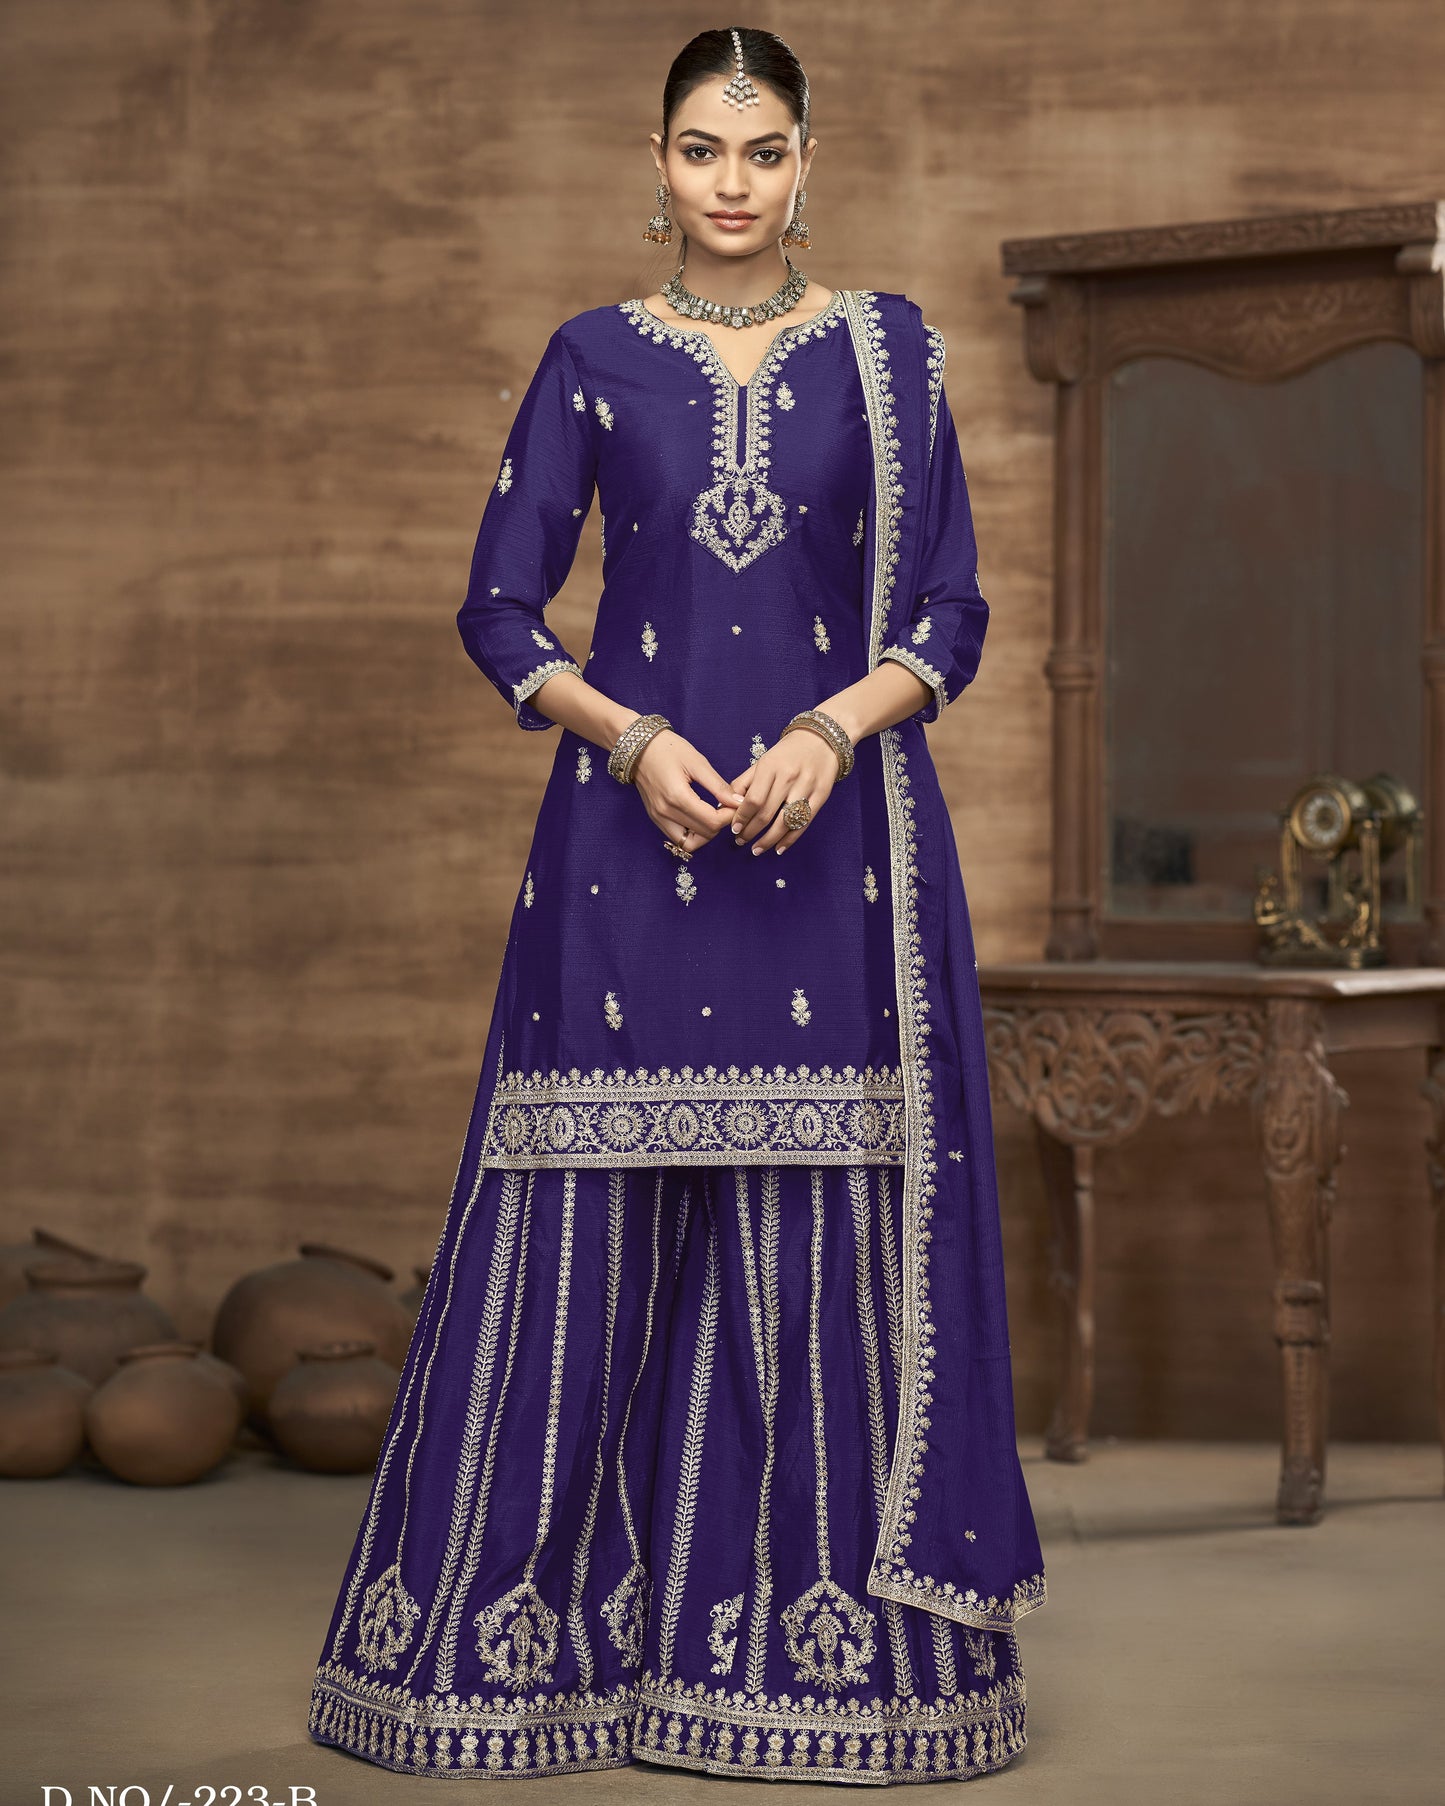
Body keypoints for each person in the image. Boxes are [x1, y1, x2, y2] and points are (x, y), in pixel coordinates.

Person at [307, 25, 1046, 1786]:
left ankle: (820, 1670)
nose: (733, 183)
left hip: (828, 860)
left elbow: (945, 611)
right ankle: (524, 1662)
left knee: (812, 1234)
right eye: (702, 151)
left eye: (764, 150)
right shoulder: (589, 361)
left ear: (810, 162)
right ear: (652, 164)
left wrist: (827, 729)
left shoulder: (889, 357)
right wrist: (629, 740)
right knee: (589, 1226)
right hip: (625, 852)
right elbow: (500, 615)